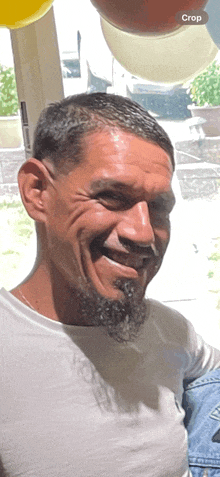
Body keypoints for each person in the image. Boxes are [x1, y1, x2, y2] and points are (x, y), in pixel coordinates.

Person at [1, 92, 220, 477]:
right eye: (111, 196)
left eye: (159, 207)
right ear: (37, 191)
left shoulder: (171, 331)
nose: (143, 232)